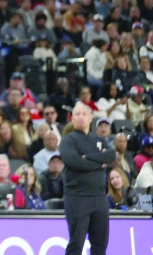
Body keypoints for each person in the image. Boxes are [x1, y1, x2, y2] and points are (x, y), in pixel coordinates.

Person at [60, 102, 116, 255]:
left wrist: (88, 157)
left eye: (84, 114)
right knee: (76, 244)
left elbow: (111, 156)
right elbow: (73, 160)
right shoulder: (68, 140)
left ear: (90, 118)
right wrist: (99, 163)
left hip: (99, 197)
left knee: (100, 244)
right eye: (77, 114)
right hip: (77, 197)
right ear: (72, 119)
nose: (80, 117)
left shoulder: (98, 140)